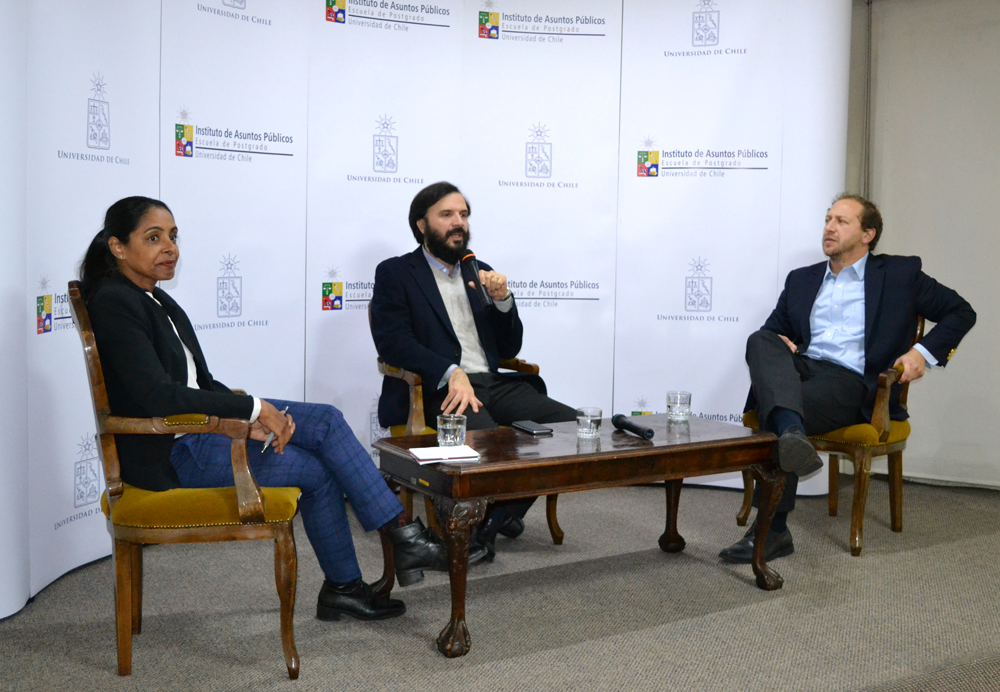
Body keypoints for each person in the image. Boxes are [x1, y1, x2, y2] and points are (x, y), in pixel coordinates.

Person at [80, 196, 480, 622]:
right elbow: (157, 396)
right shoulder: (114, 302)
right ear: (117, 246)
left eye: (174, 237)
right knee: (318, 451)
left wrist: (243, 418)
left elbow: (200, 384)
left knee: (321, 439)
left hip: (197, 433)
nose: (170, 248)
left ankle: (357, 576)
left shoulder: (155, 299)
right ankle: (398, 539)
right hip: (170, 452)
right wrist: (251, 410)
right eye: (154, 237)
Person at [720, 193, 976, 563]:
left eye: (842, 221)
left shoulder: (901, 274)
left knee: (778, 411)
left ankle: (772, 528)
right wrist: (782, 343)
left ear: (868, 233)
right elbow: (773, 334)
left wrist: (922, 353)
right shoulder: (801, 279)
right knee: (759, 340)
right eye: (827, 219)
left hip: (851, 383)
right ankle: (792, 435)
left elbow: (960, 311)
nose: (829, 227)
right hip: (802, 371)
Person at [369, 182, 578, 559]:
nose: (458, 223)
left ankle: (495, 518)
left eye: (463, 215)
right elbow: (392, 343)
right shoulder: (396, 273)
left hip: (493, 382)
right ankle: (481, 530)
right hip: (442, 390)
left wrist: (503, 302)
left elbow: (510, 348)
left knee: (568, 430)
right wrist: (449, 370)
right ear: (421, 224)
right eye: (447, 215)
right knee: (493, 446)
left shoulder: (478, 271)